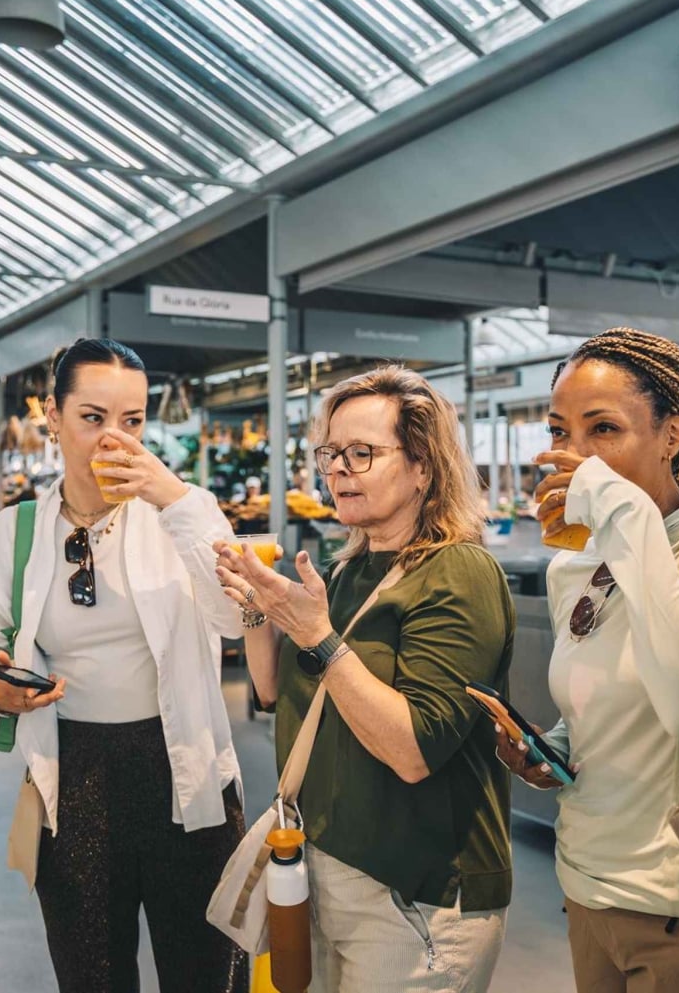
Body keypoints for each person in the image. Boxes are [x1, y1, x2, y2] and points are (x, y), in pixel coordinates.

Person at [0, 338, 248, 993]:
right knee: (92, 973)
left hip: (184, 774)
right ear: (52, 418)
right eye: (93, 417)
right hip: (77, 777)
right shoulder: (16, 531)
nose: (114, 438)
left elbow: (237, 618)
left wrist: (174, 497)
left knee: (206, 973)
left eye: (133, 420)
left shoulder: (178, 515)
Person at [218, 365, 515, 993]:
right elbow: (272, 694)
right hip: (329, 867)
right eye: (330, 453)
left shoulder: (458, 572)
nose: (338, 469)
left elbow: (412, 750)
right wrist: (254, 605)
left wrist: (317, 636)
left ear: (424, 467)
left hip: (416, 896)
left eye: (363, 453)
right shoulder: (348, 567)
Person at [494, 329, 679, 992]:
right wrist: (551, 748)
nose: (575, 456)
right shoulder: (577, 567)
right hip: (586, 887)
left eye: (604, 429)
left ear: (672, 434)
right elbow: (600, 712)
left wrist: (623, 512)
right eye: (562, 431)